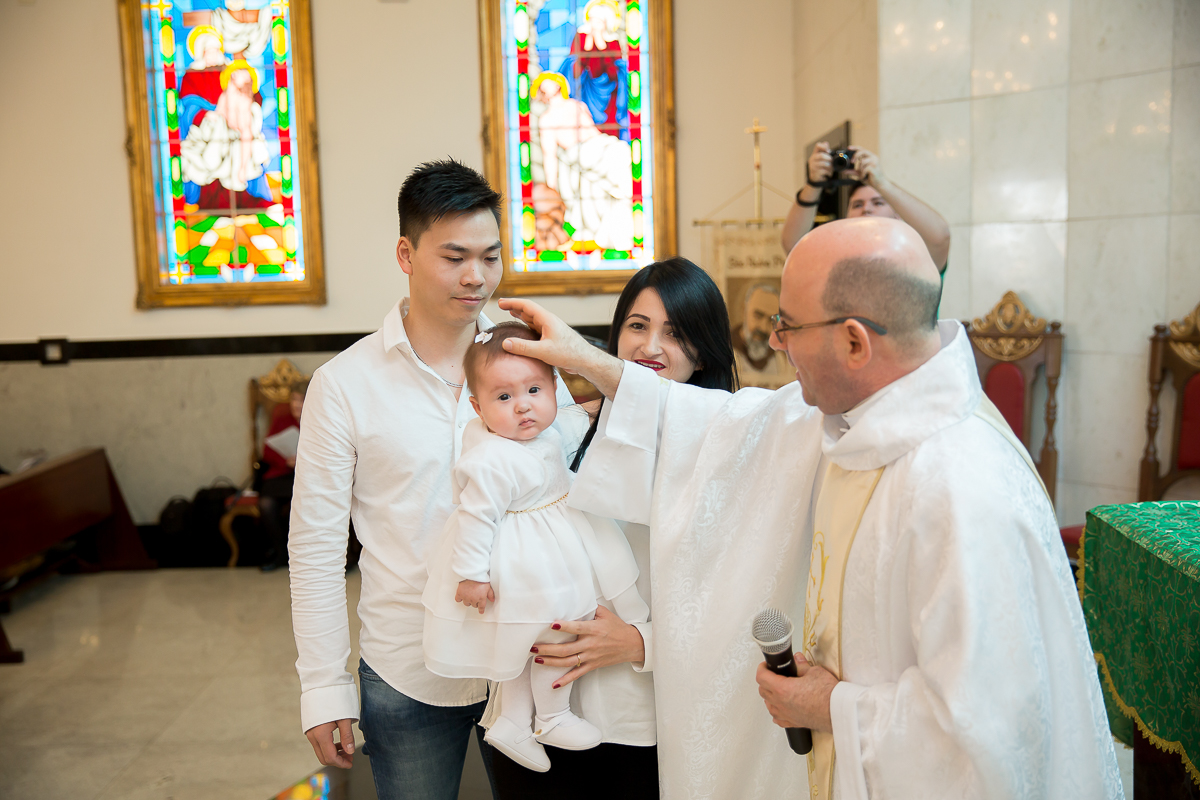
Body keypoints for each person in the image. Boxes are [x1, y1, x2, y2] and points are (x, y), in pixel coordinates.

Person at [498, 217, 1123, 800]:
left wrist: (832, 709)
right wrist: (586, 359)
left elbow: (989, 730)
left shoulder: (958, 485)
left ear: (853, 342)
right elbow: (726, 421)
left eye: (788, 325)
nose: (775, 341)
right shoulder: (871, 420)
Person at [288, 159, 574, 800]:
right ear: (405, 253)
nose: (477, 277)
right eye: (454, 256)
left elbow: (578, 484)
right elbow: (315, 549)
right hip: (408, 669)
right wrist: (323, 687)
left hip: (533, 657)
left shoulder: (532, 360)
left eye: (491, 256)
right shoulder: (345, 385)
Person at [485, 257, 738, 798]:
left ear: (706, 347)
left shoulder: (725, 445)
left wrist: (638, 642)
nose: (650, 347)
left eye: (676, 332)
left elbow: (733, 601)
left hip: (635, 719)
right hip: (532, 706)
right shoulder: (563, 424)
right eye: (638, 326)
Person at [422, 322, 649, 773]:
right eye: (504, 398)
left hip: (552, 546)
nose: (523, 406)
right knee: (559, 629)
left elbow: (568, 421)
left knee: (527, 642)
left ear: (552, 388)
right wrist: (471, 575)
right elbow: (474, 517)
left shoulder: (542, 430)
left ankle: (511, 721)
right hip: (528, 562)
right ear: (478, 407)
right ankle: (551, 716)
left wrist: (595, 408)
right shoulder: (491, 459)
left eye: (534, 389)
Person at [781, 144, 950, 273]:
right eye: (857, 204)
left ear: (897, 216)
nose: (866, 209)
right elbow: (793, 244)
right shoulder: (834, 258)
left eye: (878, 203)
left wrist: (882, 184)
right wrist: (814, 184)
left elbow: (939, 238)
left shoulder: (914, 256)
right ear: (846, 217)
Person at [259, 378, 307, 572]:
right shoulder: (282, 420)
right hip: (281, 474)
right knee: (266, 504)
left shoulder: (319, 421)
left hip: (306, 477)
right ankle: (280, 554)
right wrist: (285, 461)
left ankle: (303, 558)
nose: (296, 404)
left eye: (301, 400)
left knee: (302, 505)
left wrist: (303, 460)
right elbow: (267, 451)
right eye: (294, 399)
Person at [733, 282, 793, 389]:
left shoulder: (781, 361)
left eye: (771, 320)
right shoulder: (725, 351)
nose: (763, 328)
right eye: (758, 316)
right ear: (744, 311)